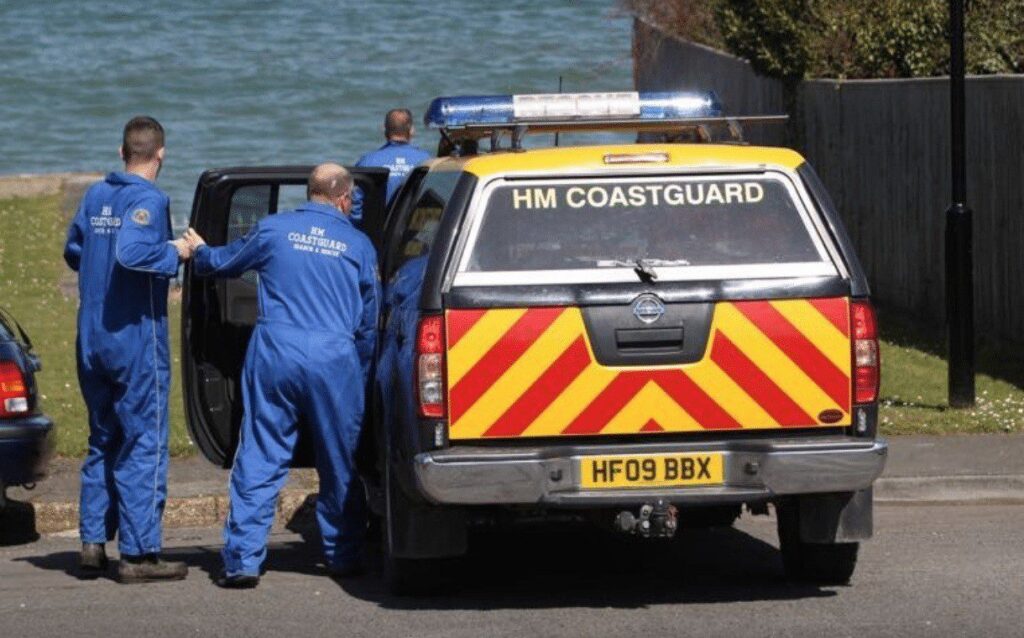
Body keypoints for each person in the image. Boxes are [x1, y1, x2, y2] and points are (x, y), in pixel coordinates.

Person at [183, 163, 380, 589]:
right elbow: (368, 323)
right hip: (333, 357)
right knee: (338, 460)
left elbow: (224, 263)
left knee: (260, 454)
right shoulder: (359, 245)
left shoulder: (274, 230)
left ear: (311, 193)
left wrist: (199, 251)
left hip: (276, 352)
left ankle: (242, 560)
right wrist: (360, 374)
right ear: (345, 199)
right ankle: (342, 555)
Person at [63, 116, 192, 583]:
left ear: (122, 153)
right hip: (133, 339)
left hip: (92, 335)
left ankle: (93, 542)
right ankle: (139, 554)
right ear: (161, 154)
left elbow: (75, 248)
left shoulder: (97, 194)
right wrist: (176, 252)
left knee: (103, 438)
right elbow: (134, 253)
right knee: (144, 442)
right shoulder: (149, 199)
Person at [350, 108, 432, 220]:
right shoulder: (427, 160)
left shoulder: (368, 161)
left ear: (384, 130)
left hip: (377, 230)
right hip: (414, 229)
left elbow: (355, 204)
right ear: (412, 130)